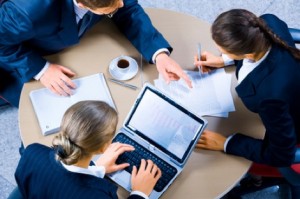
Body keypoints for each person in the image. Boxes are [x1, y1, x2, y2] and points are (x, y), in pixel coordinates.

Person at [0, 0, 192, 107]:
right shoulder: (28, 12)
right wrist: (42, 70)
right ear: (83, 5)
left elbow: (129, 10)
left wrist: (159, 54)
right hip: (22, 50)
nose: (123, 3)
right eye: (114, 4)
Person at [194, 9, 300, 194]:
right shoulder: (267, 22)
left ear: (247, 54)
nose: (219, 51)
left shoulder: (270, 97)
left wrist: (226, 143)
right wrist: (224, 60)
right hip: (292, 87)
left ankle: (258, 180)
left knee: (234, 163)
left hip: (292, 124)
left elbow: (282, 154)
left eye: (223, 49)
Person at [15, 100, 161, 198]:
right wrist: (139, 193)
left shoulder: (32, 152)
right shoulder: (97, 195)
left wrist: (96, 169)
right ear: (104, 148)